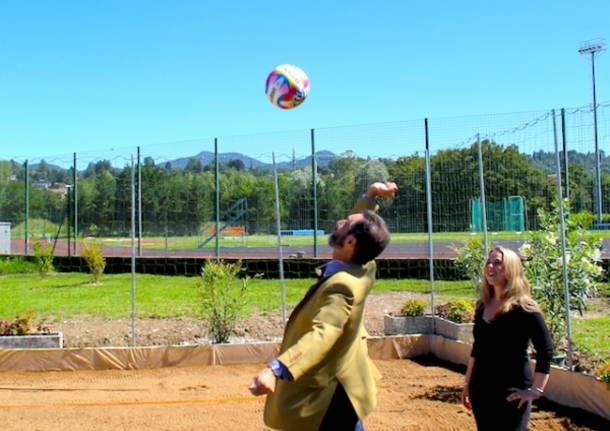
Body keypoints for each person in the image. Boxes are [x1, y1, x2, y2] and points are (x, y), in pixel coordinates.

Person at [248, 181, 398, 431]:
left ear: (350, 243)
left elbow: (324, 334)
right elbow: (369, 233)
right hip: (347, 382)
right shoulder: (365, 267)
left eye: (345, 223)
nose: (338, 222)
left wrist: (276, 369)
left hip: (329, 396)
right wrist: (370, 196)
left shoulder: (341, 288)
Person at [461, 246, 554, 431]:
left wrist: (535, 390)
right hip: (482, 391)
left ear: (511, 269)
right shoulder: (482, 307)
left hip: (512, 393)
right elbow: (478, 349)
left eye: (497, 263)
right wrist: (467, 384)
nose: (490, 267)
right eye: (488, 262)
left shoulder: (526, 308)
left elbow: (546, 351)